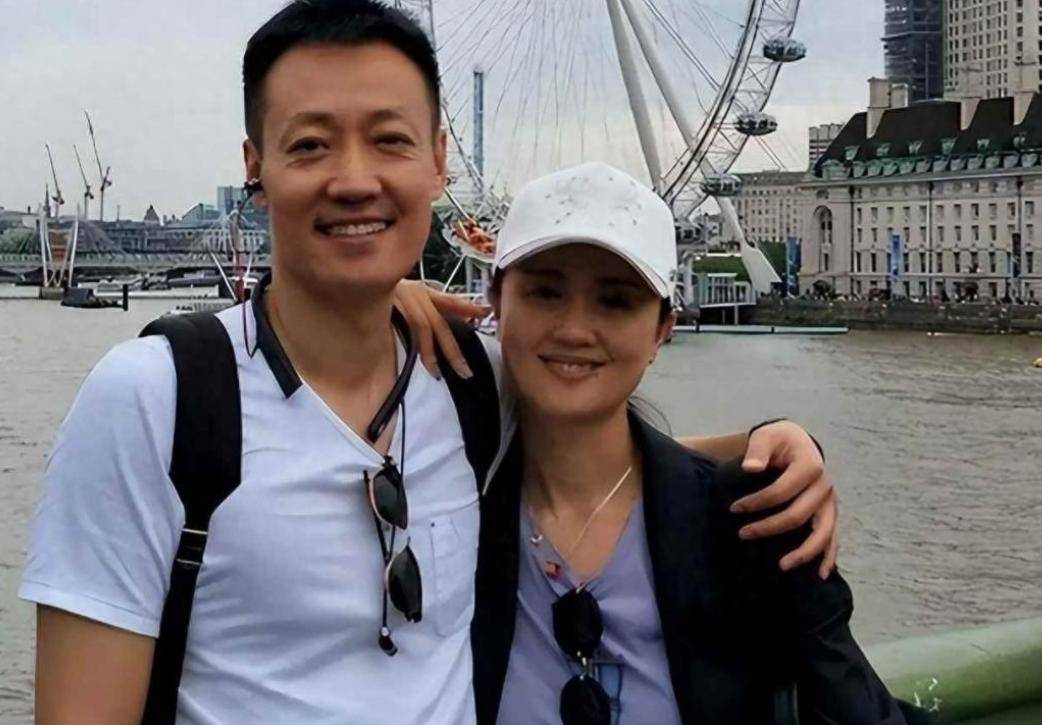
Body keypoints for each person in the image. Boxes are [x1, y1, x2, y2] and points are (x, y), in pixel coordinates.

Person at [20, 2, 836, 723]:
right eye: (310, 145)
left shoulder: (471, 382)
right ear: (254, 167)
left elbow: (598, 458)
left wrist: (775, 443)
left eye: (390, 140)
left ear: (439, 160)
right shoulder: (154, 401)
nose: (354, 179)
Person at [468, 163, 907, 724]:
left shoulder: (756, 519)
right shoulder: (447, 501)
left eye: (615, 301)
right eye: (545, 293)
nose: (574, 329)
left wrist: (776, 443)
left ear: (662, 330)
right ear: (496, 302)